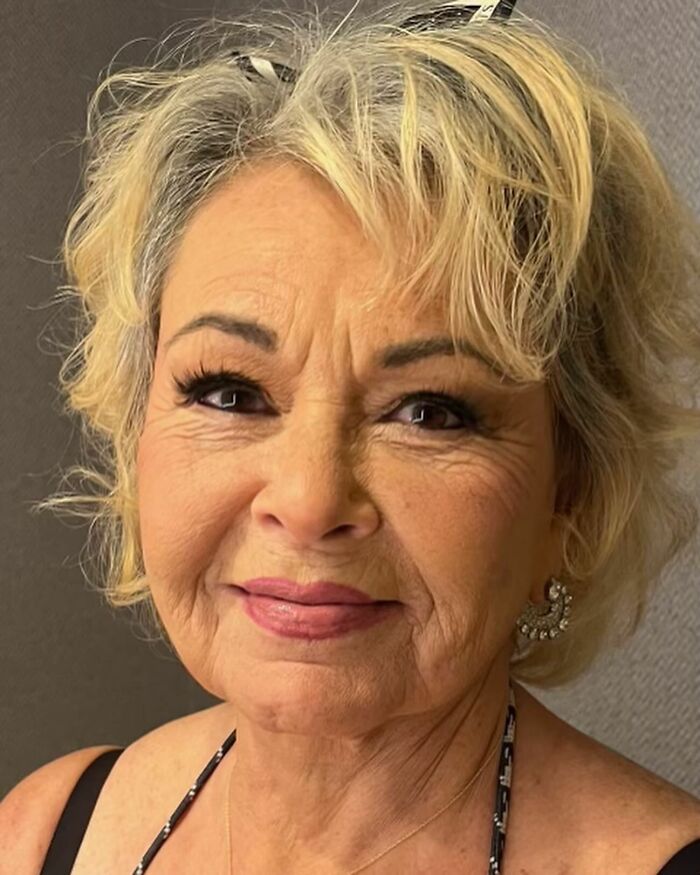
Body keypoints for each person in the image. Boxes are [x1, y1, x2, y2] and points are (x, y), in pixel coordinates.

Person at [2, 1, 700, 872]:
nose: (307, 500)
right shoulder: (39, 836)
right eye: (229, 391)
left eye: (429, 411)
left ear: (573, 494)